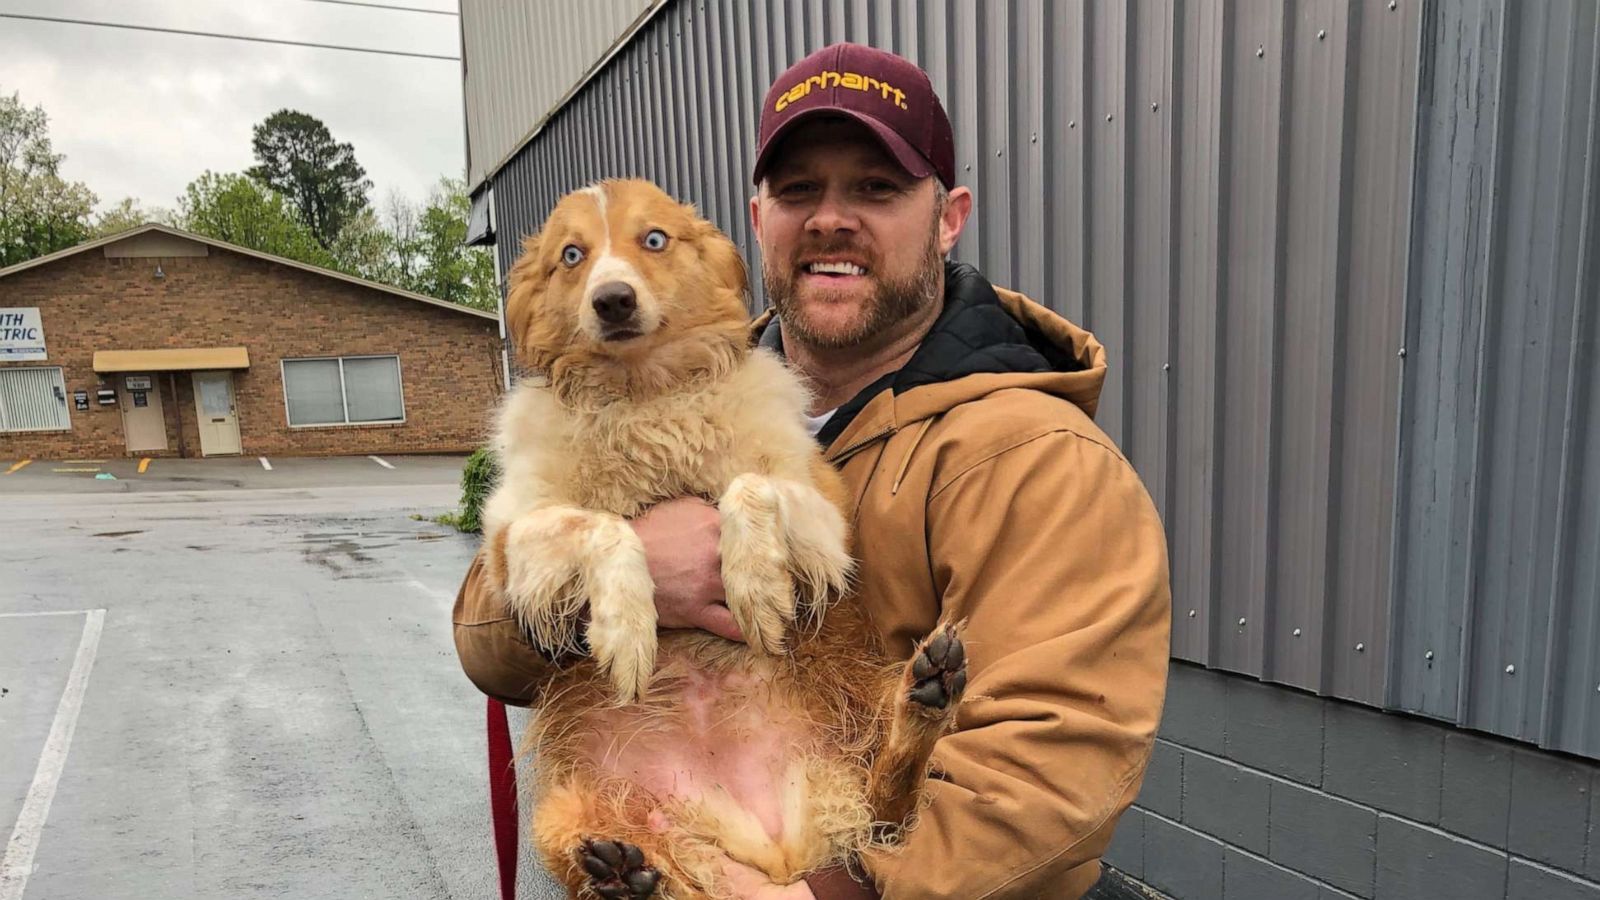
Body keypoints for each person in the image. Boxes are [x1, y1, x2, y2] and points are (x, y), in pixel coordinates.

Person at [453, 42, 1171, 900]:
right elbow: (488, 649)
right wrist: (629, 570)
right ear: (756, 221)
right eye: (799, 192)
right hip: (677, 821)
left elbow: (1050, 770)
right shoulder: (659, 384)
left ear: (949, 217)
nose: (832, 219)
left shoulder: (1036, 459)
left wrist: (816, 895)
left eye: (876, 187)